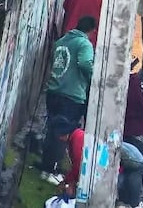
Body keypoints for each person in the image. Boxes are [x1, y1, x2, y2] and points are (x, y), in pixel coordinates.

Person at [40, 16, 97, 185]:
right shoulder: (84, 44)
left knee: (52, 130)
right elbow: (85, 63)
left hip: (53, 92)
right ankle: (52, 170)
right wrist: (94, 79)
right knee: (63, 134)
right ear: (91, 30)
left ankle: (46, 167)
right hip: (71, 96)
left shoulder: (61, 41)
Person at [50, 116, 143, 208]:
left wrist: (68, 181)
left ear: (61, 134)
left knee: (124, 200)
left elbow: (80, 165)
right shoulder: (76, 136)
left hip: (113, 171)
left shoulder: (77, 138)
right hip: (110, 170)